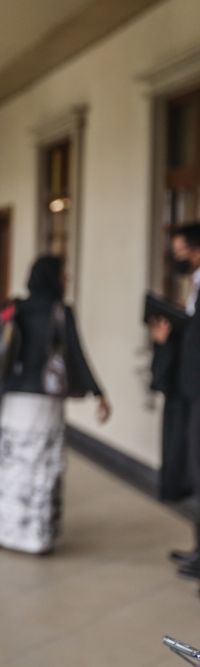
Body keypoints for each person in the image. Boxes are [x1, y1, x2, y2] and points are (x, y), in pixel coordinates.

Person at [0, 255, 111, 555]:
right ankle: (35, 538)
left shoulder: (14, 307)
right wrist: (98, 393)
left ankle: (1, 531)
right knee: (40, 468)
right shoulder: (60, 311)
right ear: (53, 277)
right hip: (44, 403)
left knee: (10, 466)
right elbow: (76, 355)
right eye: (63, 274)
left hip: (13, 400)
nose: (67, 279)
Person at [151, 223, 200, 576]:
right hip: (190, 393)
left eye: (181, 250)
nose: (177, 257)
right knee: (194, 473)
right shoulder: (195, 285)